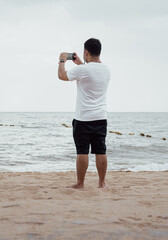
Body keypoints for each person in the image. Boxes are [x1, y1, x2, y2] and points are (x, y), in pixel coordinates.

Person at [58, 38, 110, 189]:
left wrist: (62, 60)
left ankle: (80, 184)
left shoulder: (83, 70)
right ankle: (102, 183)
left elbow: (62, 76)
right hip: (101, 117)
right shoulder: (106, 70)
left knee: (82, 152)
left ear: (86, 52)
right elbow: (90, 73)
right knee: (101, 151)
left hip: (83, 118)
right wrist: (80, 63)